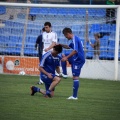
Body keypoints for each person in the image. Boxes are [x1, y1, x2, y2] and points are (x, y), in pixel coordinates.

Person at [60, 27, 85, 100]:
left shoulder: (75, 39)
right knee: (63, 56)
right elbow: (68, 47)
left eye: (66, 36)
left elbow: (75, 51)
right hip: (76, 57)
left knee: (75, 77)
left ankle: (74, 96)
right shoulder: (75, 39)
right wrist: (60, 44)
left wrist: (67, 57)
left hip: (78, 59)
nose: (66, 37)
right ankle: (64, 74)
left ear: (68, 34)